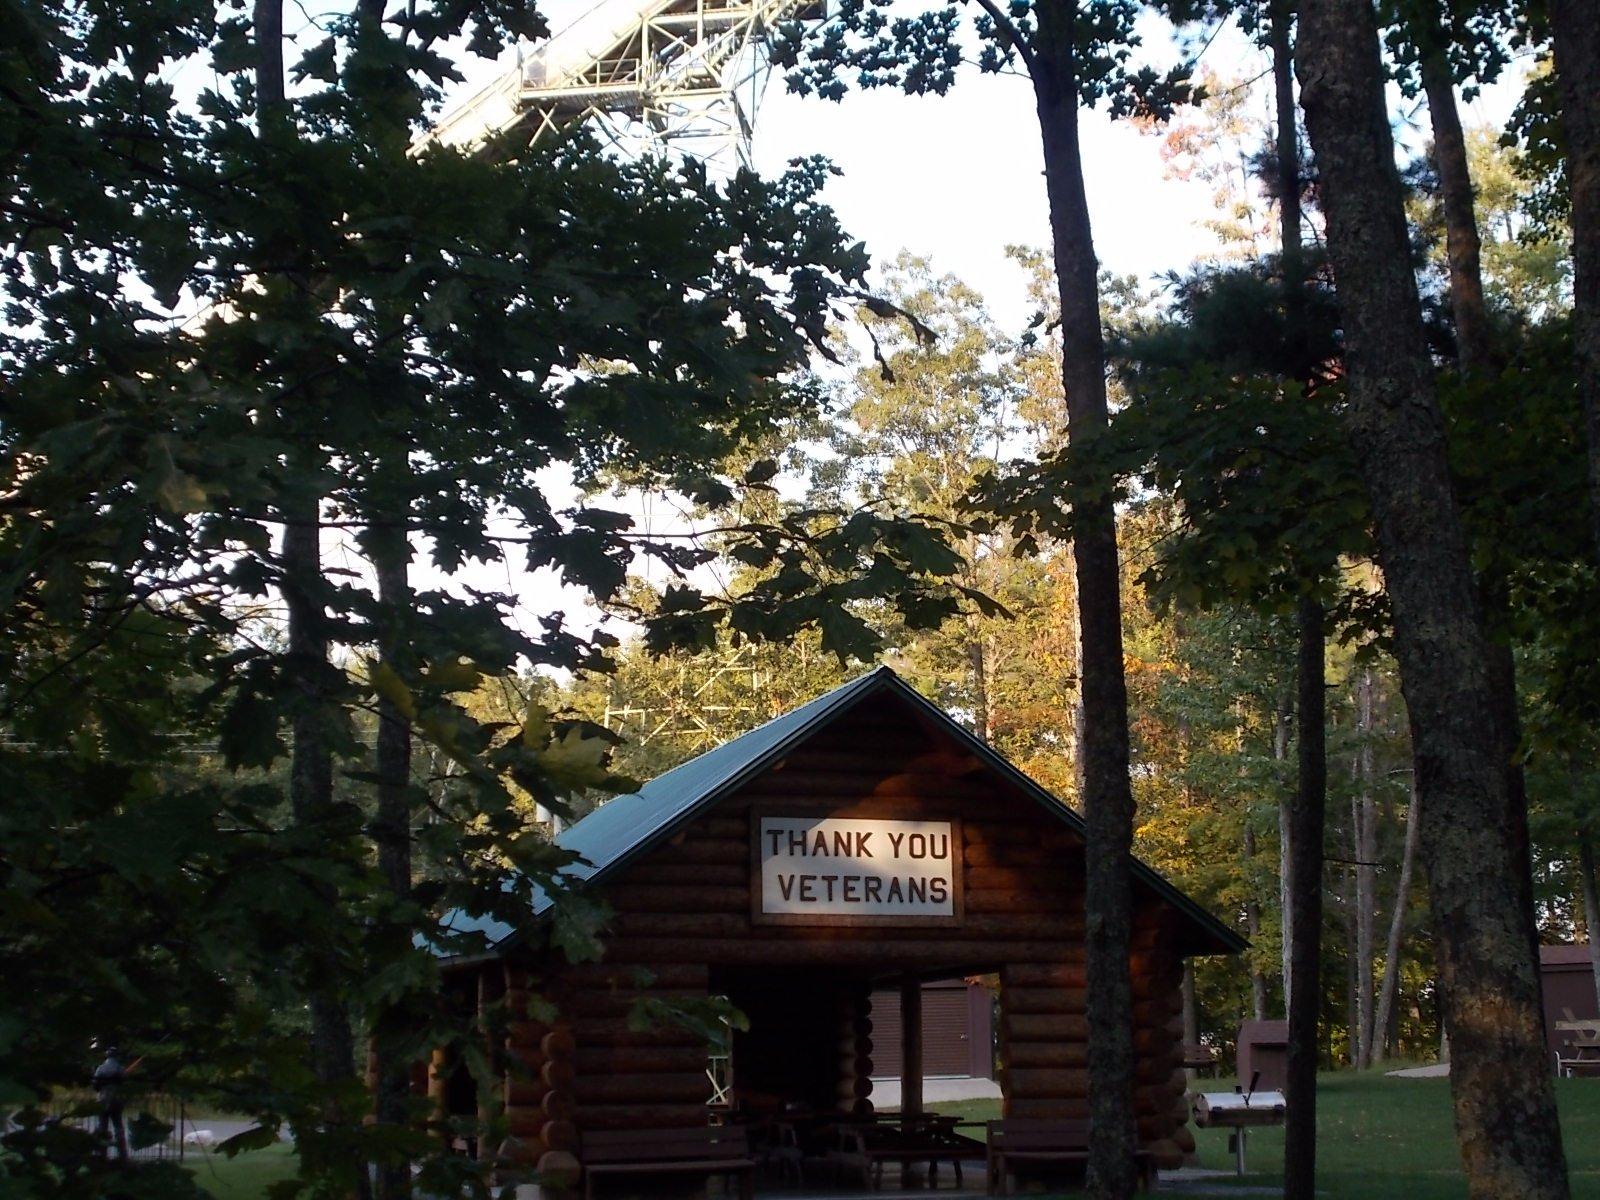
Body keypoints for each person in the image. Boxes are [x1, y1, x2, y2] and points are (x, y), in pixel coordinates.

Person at [91, 1046, 129, 1162]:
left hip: (103, 1100)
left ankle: (102, 1154)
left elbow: (95, 1086)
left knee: (102, 1127)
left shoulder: (100, 1068)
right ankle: (122, 1155)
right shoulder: (120, 1068)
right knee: (118, 1127)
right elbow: (124, 1083)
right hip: (116, 1101)